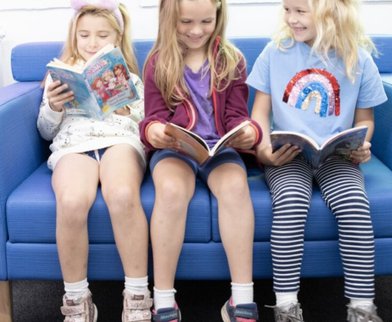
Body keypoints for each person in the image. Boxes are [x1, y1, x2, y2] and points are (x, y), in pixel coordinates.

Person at [247, 0, 387, 321]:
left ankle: (362, 308)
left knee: (354, 203)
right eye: (287, 10)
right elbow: (259, 116)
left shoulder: (358, 59)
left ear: (330, 13)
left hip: (338, 154)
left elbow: (366, 120)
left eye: (300, 11)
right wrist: (264, 151)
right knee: (291, 200)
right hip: (289, 154)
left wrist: (363, 144)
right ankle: (285, 306)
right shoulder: (274, 52)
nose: (291, 19)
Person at [139, 0, 262, 321]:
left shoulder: (232, 60)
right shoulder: (157, 62)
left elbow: (237, 114)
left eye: (206, 22)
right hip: (176, 149)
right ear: (169, 18)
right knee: (171, 191)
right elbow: (151, 116)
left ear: (218, 16)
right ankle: (164, 299)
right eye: (186, 22)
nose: (196, 31)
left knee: (236, 188)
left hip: (220, 149)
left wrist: (248, 131)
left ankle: (242, 299)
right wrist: (153, 131)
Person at [37, 1, 152, 321]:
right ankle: (76, 300)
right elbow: (46, 132)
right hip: (75, 146)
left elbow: (145, 126)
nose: (92, 42)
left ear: (117, 38)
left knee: (122, 195)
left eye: (102, 35)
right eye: (84, 34)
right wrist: (53, 107)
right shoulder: (58, 76)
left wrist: (125, 108)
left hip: (118, 142)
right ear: (74, 36)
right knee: (72, 200)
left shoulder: (130, 77)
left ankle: (138, 296)